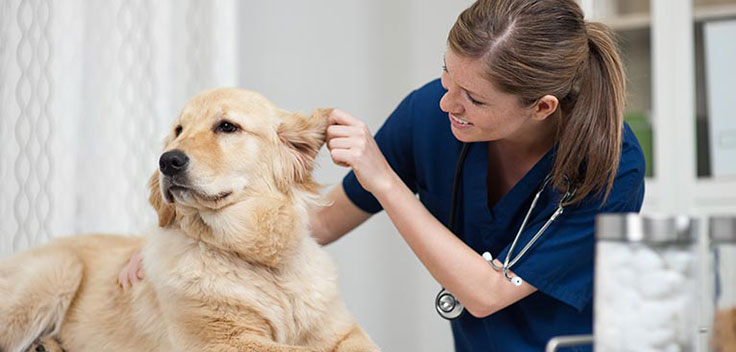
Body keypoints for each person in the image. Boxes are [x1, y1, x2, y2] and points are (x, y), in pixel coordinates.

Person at [120, 0, 645, 350]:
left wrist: (386, 181)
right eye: (447, 73)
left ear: (541, 107)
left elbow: (486, 294)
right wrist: (178, 240)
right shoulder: (429, 115)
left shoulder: (610, 165)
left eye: (474, 98)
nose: (448, 101)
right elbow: (318, 225)